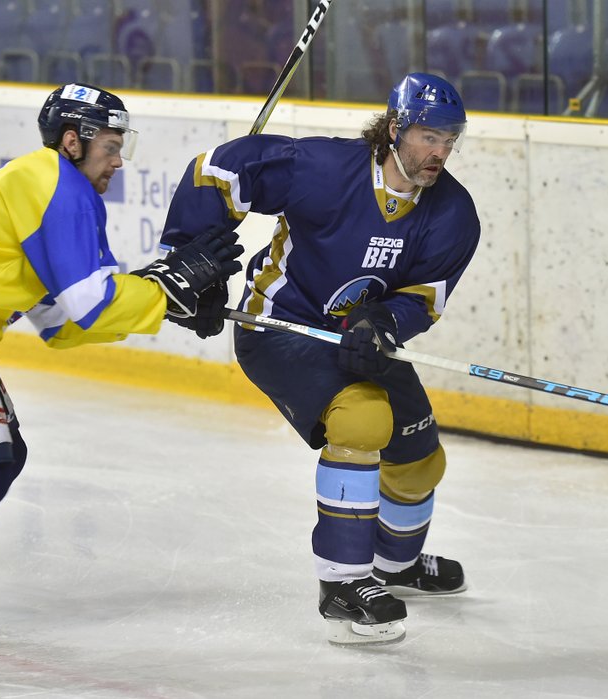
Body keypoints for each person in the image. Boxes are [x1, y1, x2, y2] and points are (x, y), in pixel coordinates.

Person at [0, 83, 243, 631]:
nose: (119, 161)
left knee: (4, 459)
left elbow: (61, 321)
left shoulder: (46, 182)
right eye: (110, 147)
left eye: (122, 147)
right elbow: (89, 305)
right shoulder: (59, 186)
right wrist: (165, 293)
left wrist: (165, 303)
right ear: (73, 141)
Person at [160, 73, 480, 645]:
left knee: (419, 456)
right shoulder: (326, 169)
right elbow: (217, 171)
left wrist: (385, 320)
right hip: (279, 326)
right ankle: (342, 586)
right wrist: (182, 264)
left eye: (450, 138)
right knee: (363, 421)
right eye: (429, 135)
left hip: (356, 337)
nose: (440, 151)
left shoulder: (453, 212)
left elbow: (424, 298)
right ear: (396, 127)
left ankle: (396, 566)